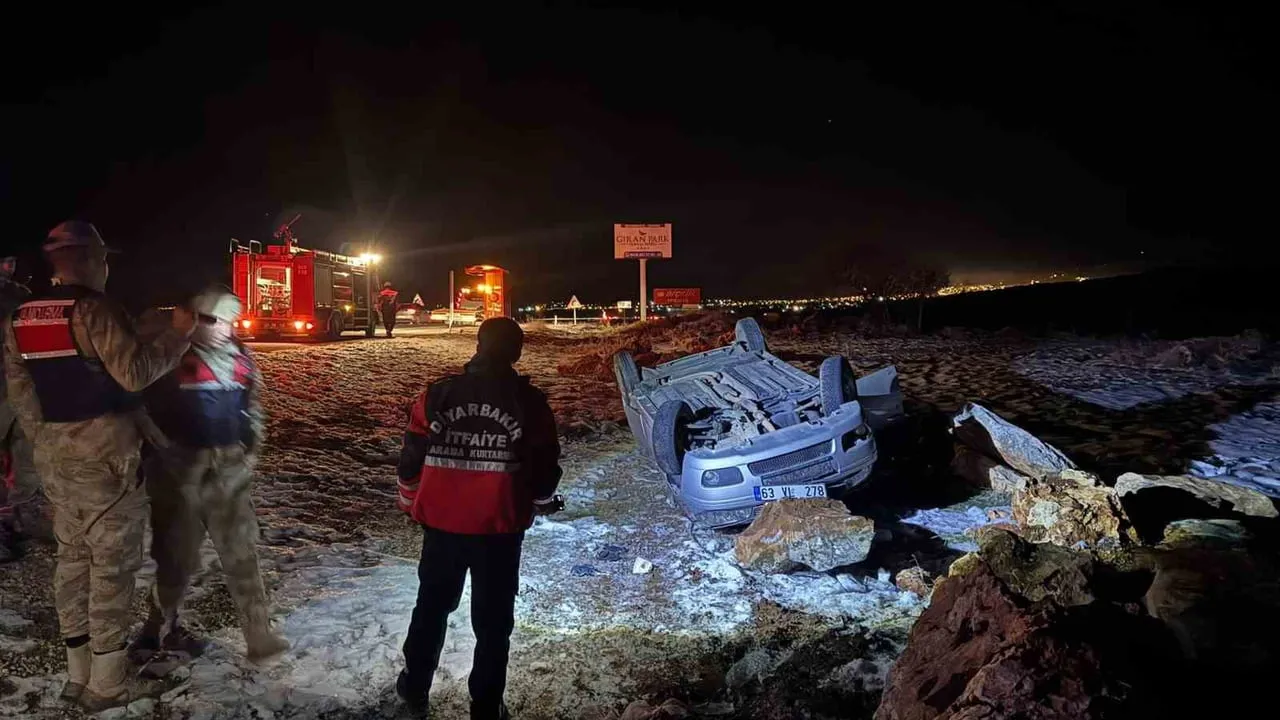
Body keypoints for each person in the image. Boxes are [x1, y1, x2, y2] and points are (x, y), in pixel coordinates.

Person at [2, 221, 195, 711]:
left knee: (73, 561)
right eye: (104, 259)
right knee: (111, 568)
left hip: (57, 459)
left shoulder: (22, 316)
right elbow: (133, 374)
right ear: (90, 259)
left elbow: (22, 396)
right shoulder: (96, 309)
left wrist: (52, 445)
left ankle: (78, 675)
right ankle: (108, 684)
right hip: (107, 460)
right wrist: (177, 338)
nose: (107, 267)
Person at [395, 317, 562, 720]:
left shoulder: (436, 395)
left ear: (478, 345)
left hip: (442, 527)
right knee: (492, 622)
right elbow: (544, 468)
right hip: (498, 530)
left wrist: (411, 501)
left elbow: (411, 458)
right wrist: (542, 502)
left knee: (431, 607)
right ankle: (486, 705)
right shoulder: (530, 403)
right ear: (516, 352)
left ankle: (414, 687)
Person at [129, 285, 288, 663]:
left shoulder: (239, 355)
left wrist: (250, 450)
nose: (225, 329)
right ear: (194, 319)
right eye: (216, 320)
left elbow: (252, 404)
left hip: (228, 468)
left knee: (241, 552)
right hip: (178, 472)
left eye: (232, 321)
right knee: (176, 557)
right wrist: (159, 447)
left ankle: (259, 636)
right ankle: (157, 629)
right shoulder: (166, 354)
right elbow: (134, 403)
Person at [0, 256, 42, 563]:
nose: (8, 267)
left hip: (21, 386)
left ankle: (14, 518)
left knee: (26, 456)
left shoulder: (22, 297)